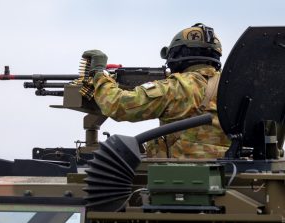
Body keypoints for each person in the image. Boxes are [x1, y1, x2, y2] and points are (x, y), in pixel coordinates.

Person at [82, 23, 230, 159]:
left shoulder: (177, 87)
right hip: (229, 171)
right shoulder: (231, 87)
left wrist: (99, 75)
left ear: (176, 56)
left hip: (178, 177)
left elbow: (119, 105)